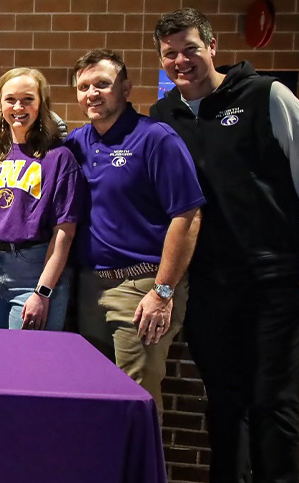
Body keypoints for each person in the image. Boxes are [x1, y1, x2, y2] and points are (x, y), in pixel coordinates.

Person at [150, 8, 299, 483]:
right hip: (208, 281)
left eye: (189, 49)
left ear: (212, 46)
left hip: (277, 277)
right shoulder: (165, 114)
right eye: (170, 54)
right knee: (222, 397)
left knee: (272, 400)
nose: (181, 61)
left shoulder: (265, 95)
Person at [63, 48, 204, 412]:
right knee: (92, 398)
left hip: (140, 289)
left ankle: (140, 472)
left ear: (126, 88)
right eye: (83, 86)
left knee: (134, 402)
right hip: (88, 289)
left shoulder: (156, 139)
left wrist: (162, 292)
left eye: (102, 84)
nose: (92, 93)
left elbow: (187, 217)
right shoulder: (78, 142)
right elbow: (37, 172)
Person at [0, 68, 80, 331]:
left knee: (27, 364)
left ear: (41, 104)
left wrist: (43, 292)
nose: (18, 107)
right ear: (0, 103)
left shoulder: (59, 158)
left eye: (28, 99)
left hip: (32, 273)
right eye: (10, 99)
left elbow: (64, 233)